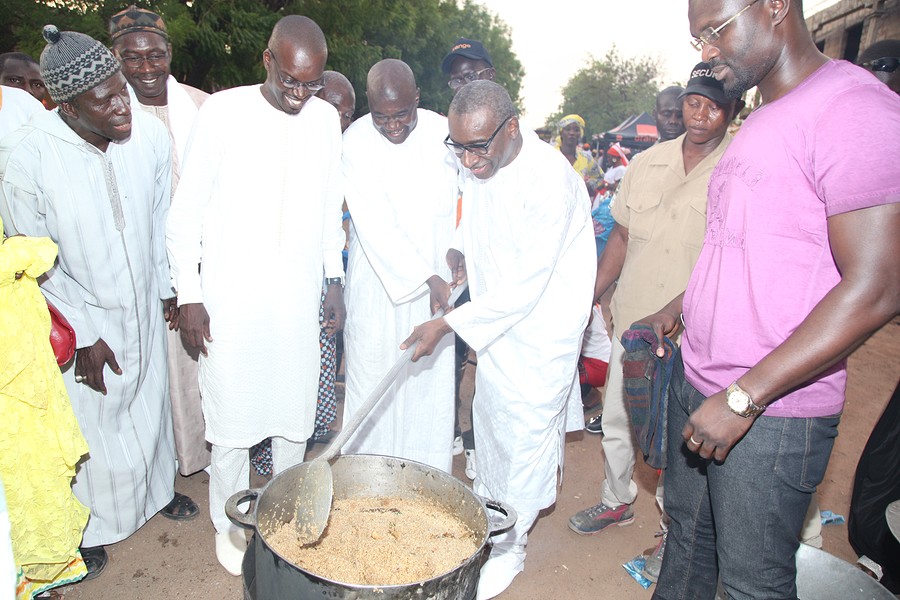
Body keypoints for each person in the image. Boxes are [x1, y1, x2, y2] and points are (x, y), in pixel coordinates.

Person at [640, 2, 900, 598]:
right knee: (686, 545)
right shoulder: (761, 117)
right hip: (699, 384)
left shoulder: (854, 109)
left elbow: (879, 286)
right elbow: (744, 250)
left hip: (771, 414)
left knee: (751, 583)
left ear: (777, 5)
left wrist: (743, 396)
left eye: (715, 29)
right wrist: (676, 310)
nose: (706, 50)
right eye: (697, 38)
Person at [0, 25, 193, 579]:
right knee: (94, 419)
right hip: (79, 307)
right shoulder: (28, 160)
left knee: (149, 401)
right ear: (66, 103)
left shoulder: (151, 141)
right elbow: (35, 260)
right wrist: (82, 333)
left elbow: (161, 221)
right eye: (103, 98)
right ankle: (94, 527)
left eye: (122, 91)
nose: (121, 106)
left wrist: (167, 288)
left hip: (141, 302)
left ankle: (157, 495)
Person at [401, 80, 595, 600]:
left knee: (526, 438)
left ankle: (512, 547)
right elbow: (477, 217)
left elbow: (526, 287)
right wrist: (460, 250)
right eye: (457, 146)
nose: (467, 159)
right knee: (491, 424)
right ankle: (489, 517)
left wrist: (445, 324)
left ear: (512, 128)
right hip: (497, 330)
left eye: (478, 146)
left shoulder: (550, 179)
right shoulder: (484, 161)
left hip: (540, 333)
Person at [165, 15, 345, 576]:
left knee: (293, 420)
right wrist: (190, 295)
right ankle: (230, 524)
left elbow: (327, 208)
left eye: (310, 84)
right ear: (267, 60)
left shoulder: (323, 121)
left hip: (295, 303)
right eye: (290, 80)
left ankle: (285, 516)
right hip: (231, 302)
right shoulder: (223, 112)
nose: (299, 95)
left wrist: (333, 279)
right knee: (234, 422)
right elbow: (185, 212)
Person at [568, 62, 742, 585]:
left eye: (714, 105)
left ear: (732, 110)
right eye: (693, 101)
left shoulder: (741, 166)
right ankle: (615, 500)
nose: (699, 114)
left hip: (701, 334)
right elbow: (620, 238)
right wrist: (591, 296)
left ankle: (675, 531)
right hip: (636, 325)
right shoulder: (647, 163)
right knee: (621, 420)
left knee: (682, 440)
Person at [109, 4, 211, 478]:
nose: (146, 68)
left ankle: (196, 456)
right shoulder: (103, 111)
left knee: (193, 369)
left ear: (170, 52)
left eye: (155, 54)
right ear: (116, 57)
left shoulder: (201, 105)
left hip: (197, 263)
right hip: (131, 265)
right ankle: (154, 470)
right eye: (132, 57)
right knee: (147, 372)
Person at [341, 59, 458, 471]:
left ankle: (423, 483)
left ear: (418, 100)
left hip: (438, 290)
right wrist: (426, 277)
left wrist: (458, 254)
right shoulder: (355, 140)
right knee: (372, 382)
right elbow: (374, 222)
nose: (393, 126)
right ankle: (366, 481)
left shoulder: (446, 132)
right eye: (381, 117)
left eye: (402, 115)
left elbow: (471, 195)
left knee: (428, 390)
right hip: (378, 287)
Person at [0, 220, 90, 598]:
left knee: (33, 469)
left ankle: (34, 577)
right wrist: (17, 253)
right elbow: (35, 252)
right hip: (11, 376)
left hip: (23, 361)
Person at [442, 36, 498, 479]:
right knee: (458, 364)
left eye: (474, 73)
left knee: (490, 372)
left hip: (501, 284)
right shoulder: (455, 138)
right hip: (465, 277)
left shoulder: (504, 136)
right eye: (457, 78)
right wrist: (459, 243)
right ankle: (463, 436)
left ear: (491, 75)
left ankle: (483, 448)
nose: (465, 83)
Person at [556, 114, 603, 198]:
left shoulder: (586, 158)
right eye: (567, 129)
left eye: (576, 130)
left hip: (577, 207)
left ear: (580, 134)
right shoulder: (551, 155)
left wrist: (584, 187)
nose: (572, 133)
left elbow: (600, 177)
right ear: (561, 132)